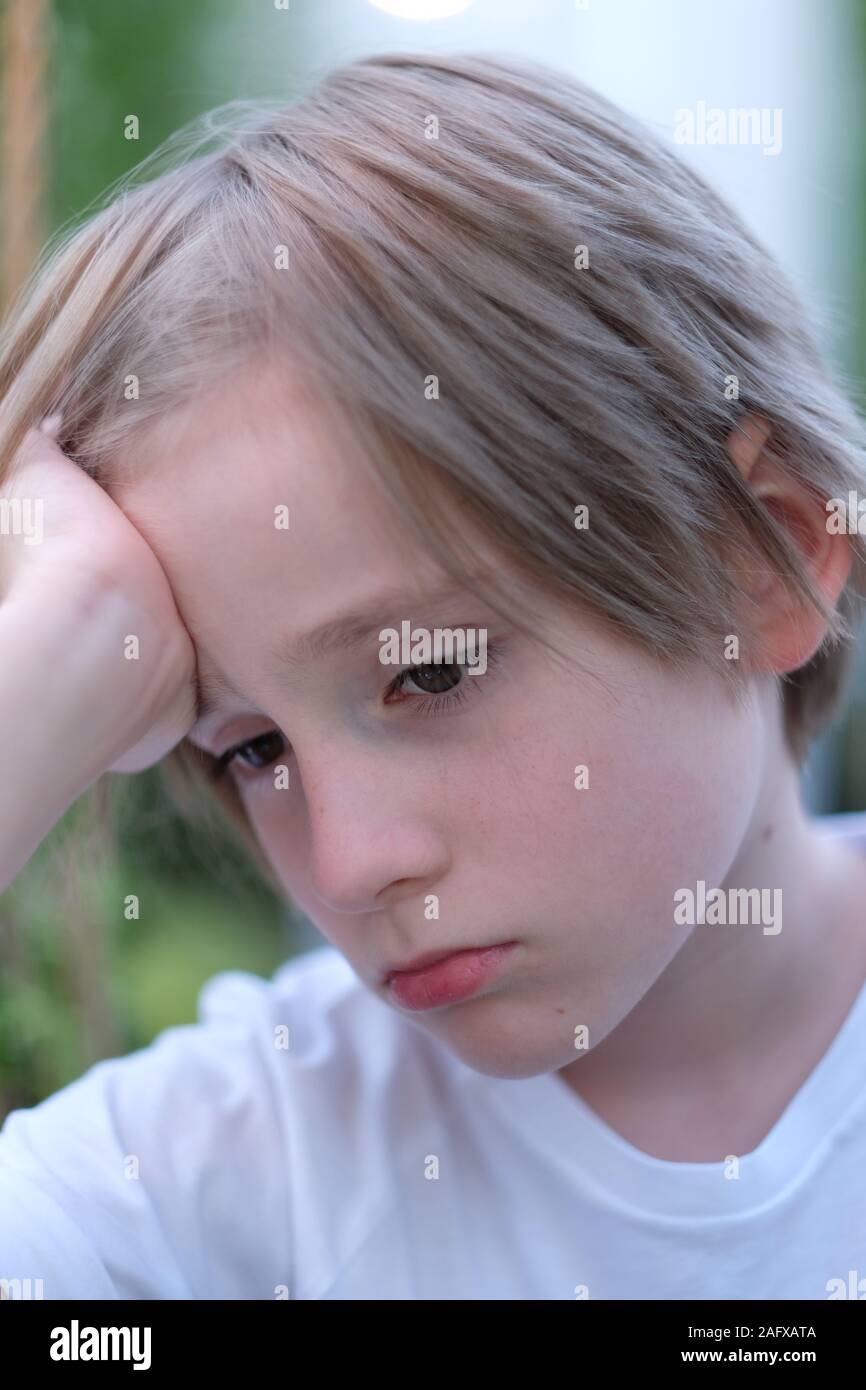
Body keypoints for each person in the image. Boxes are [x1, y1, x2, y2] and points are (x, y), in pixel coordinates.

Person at [1, 51, 866, 1301]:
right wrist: (46, 666)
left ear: (764, 556)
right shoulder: (236, 1174)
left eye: (428, 675)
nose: (349, 868)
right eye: (252, 748)